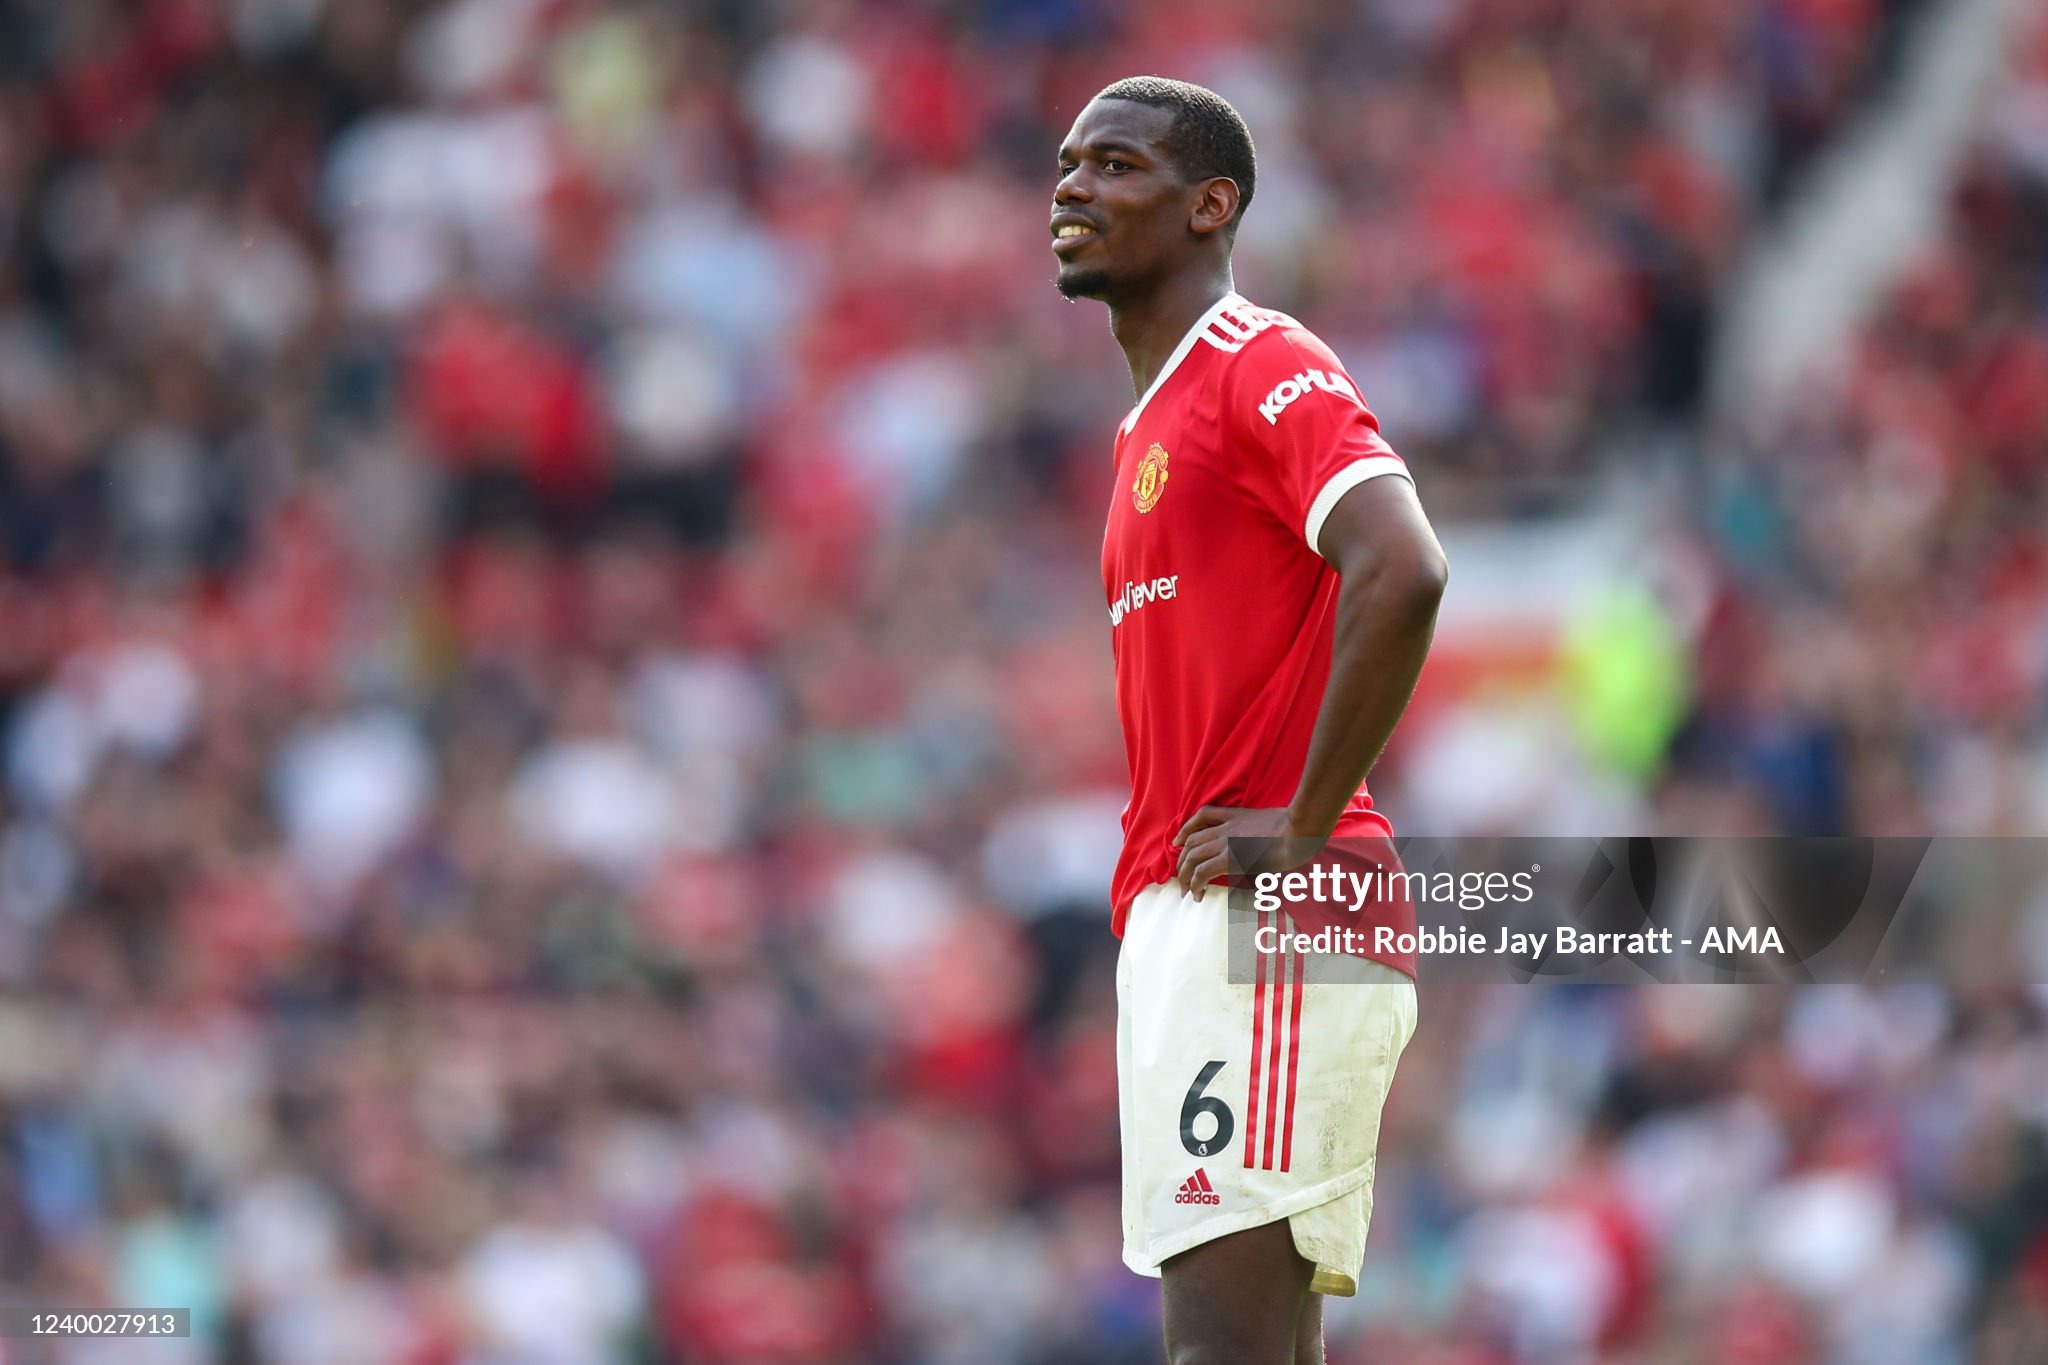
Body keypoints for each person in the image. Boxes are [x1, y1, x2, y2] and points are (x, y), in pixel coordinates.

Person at [1051, 76, 1448, 1364]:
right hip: (1195, 912)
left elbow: (1406, 563)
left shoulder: (1256, 363)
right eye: (1068, 164)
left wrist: (1308, 827)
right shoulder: (1145, 426)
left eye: (1116, 166)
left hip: (1270, 915)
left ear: (1211, 203)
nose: (1072, 187)